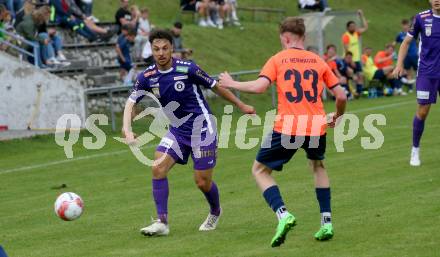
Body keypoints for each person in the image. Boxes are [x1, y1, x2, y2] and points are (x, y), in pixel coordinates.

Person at [219, 17, 347, 247]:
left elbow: (259, 87)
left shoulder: (278, 59)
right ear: (304, 37)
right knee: (318, 166)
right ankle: (326, 222)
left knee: (259, 170)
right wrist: (337, 116)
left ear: (285, 38)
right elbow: (341, 96)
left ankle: (283, 214)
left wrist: (231, 83)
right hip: (316, 126)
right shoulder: (317, 60)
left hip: (289, 127)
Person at [122, 29, 255, 236]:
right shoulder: (147, 76)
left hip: (203, 129)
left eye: (165, 48)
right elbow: (131, 102)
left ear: (172, 48)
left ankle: (215, 211)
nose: (161, 53)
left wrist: (241, 104)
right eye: (156, 49)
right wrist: (126, 129)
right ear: (151, 50)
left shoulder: (188, 68)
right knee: (158, 167)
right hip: (178, 131)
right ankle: (162, 222)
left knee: (202, 182)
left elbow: (215, 87)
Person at [393, 0, 440, 167]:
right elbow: (406, 42)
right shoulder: (421, 18)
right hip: (427, 73)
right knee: (423, 111)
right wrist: (399, 64)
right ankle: (415, 149)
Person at [341, 9, 368, 96]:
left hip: (356, 59)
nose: (353, 27)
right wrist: (350, 60)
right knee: (351, 76)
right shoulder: (346, 36)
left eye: (354, 26)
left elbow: (365, 27)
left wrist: (362, 16)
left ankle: (358, 93)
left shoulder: (356, 33)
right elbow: (346, 50)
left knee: (360, 75)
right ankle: (350, 93)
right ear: (348, 27)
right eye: (351, 26)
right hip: (349, 60)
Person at [394, 18, 418, 88]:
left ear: (408, 25)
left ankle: (420, 85)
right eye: (403, 25)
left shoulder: (412, 32)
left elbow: (417, 41)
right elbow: (394, 43)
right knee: (408, 71)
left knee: (418, 70)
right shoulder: (400, 35)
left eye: (406, 25)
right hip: (406, 56)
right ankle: (410, 88)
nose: (405, 26)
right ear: (402, 25)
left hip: (414, 54)